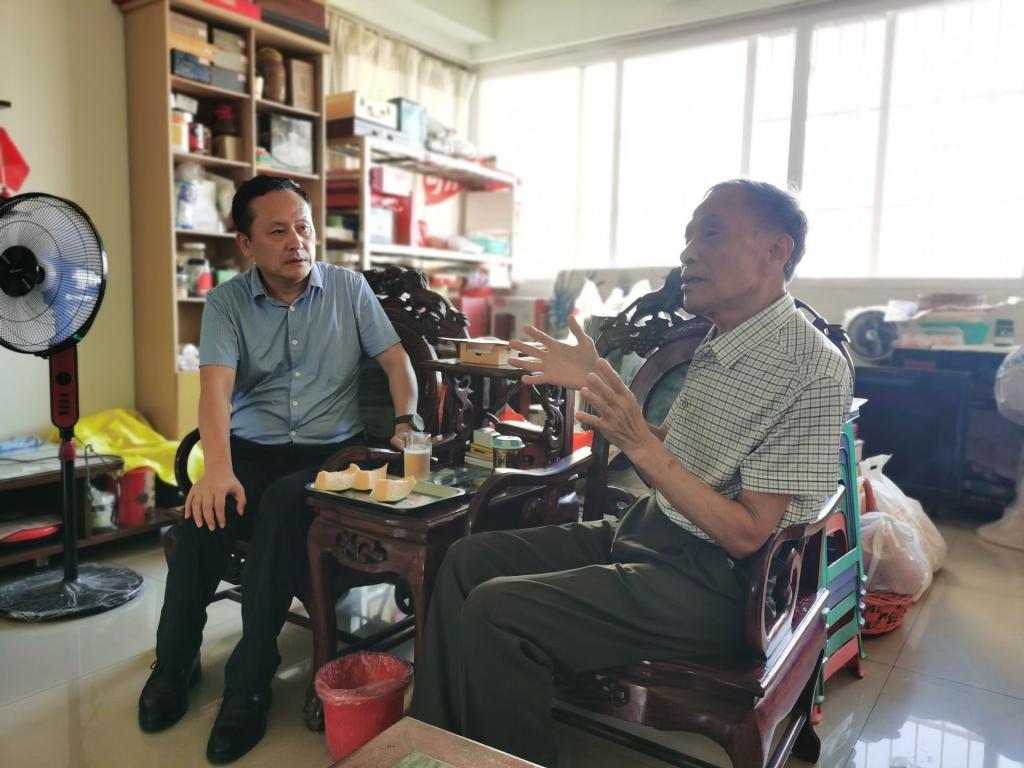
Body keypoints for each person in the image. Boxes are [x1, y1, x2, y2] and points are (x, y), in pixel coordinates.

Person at [408, 179, 853, 766]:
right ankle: (440, 748)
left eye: (710, 233)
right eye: (688, 237)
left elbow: (746, 532)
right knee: (467, 559)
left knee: (498, 612)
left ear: (776, 250)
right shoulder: (722, 338)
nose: (688, 252)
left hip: (723, 583)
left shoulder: (812, 369)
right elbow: (678, 449)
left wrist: (641, 444)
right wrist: (600, 380)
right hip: (651, 534)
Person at [138, 176, 422, 764]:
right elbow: (215, 392)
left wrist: (405, 420)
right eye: (278, 231)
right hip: (250, 451)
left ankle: (249, 684)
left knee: (279, 511)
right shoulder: (227, 303)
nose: (297, 241)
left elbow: (397, 362)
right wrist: (217, 470)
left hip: (330, 458)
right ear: (246, 244)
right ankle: (174, 664)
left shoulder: (348, 289)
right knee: (205, 517)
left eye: (304, 227)